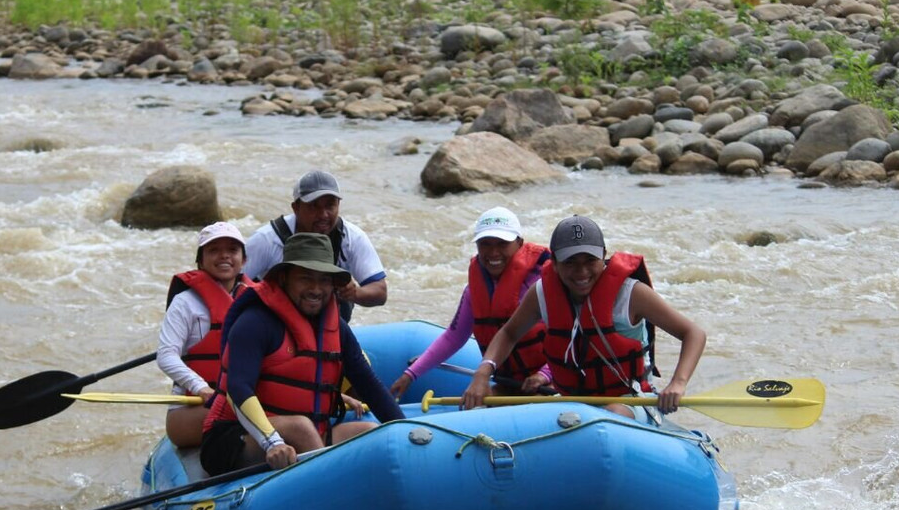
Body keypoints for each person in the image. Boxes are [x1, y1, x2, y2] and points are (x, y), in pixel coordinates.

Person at [462, 215, 706, 421]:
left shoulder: (632, 293)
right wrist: (482, 373)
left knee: (610, 415)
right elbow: (508, 333)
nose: (582, 272)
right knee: (495, 404)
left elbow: (693, 333)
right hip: (571, 397)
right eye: (570, 262)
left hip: (629, 399)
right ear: (554, 263)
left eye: (590, 260)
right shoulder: (542, 293)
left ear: (604, 256)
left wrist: (678, 383)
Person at [201, 232, 404, 475]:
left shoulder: (336, 327)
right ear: (284, 278)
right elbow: (237, 389)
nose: (316, 289)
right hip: (236, 437)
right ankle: (327, 491)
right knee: (300, 427)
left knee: (371, 432)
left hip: (311, 434)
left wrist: (405, 429)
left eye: (324, 280)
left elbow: (369, 384)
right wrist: (272, 442)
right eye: (306, 278)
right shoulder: (255, 321)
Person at [389, 206, 553, 401]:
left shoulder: (542, 284)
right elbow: (453, 337)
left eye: (502, 244)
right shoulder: (473, 291)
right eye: (485, 244)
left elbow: (571, 339)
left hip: (553, 380)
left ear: (519, 243)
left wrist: (544, 375)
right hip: (512, 382)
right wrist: (411, 374)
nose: (493, 252)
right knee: (476, 404)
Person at [242, 170, 387, 322]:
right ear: (296, 207)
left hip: (326, 326)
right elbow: (231, 283)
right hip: (272, 324)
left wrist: (354, 293)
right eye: (314, 206)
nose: (323, 214)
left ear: (338, 205)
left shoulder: (352, 238)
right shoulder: (267, 240)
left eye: (330, 205)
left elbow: (380, 291)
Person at [156, 222, 250, 449]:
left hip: (243, 403)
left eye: (232, 250)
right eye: (214, 250)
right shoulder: (185, 303)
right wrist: (200, 387)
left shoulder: (255, 300)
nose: (224, 256)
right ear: (200, 260)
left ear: (244, 260)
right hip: (191, 409)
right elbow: (166, 355)